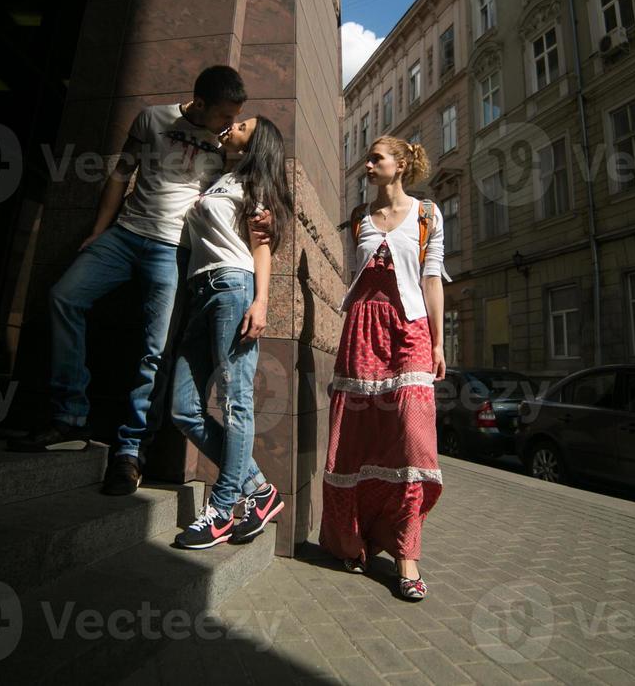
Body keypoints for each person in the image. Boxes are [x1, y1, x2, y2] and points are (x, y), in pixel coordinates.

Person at [11, 66, 266, 499]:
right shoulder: (151, 119)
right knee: (63, 298)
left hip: (173, 250)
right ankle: (70, 416)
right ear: (199, 103)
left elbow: (241, 194)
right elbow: (120, 173)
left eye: (235, 118)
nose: (228, 126)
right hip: (125, 234)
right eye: (224, 116)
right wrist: (99, 229)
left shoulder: (226, 147)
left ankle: (130, 452)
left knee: (155, 350)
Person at [320, 135, 446, 601]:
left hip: (409, 332)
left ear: (399, 164)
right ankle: (352, 540)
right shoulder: (358, 219)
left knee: (413, 442)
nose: (366, 165)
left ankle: (406, 554)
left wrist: (438, 341)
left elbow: (431, 278)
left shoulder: (428, 214)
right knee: (355, 439)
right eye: (366, 159)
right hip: (361, 329)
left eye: (375, 158)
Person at [168, 116, 293, 549]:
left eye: (241, 124)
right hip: (200, 291)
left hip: (232, 288)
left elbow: (263, 249)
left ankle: (222, 509)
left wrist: (261, 302)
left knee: (236, 401)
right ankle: (259, 489)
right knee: (184, 408)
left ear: (255, 140)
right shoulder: (220, 179)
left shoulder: (256, 185)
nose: (232, 125)